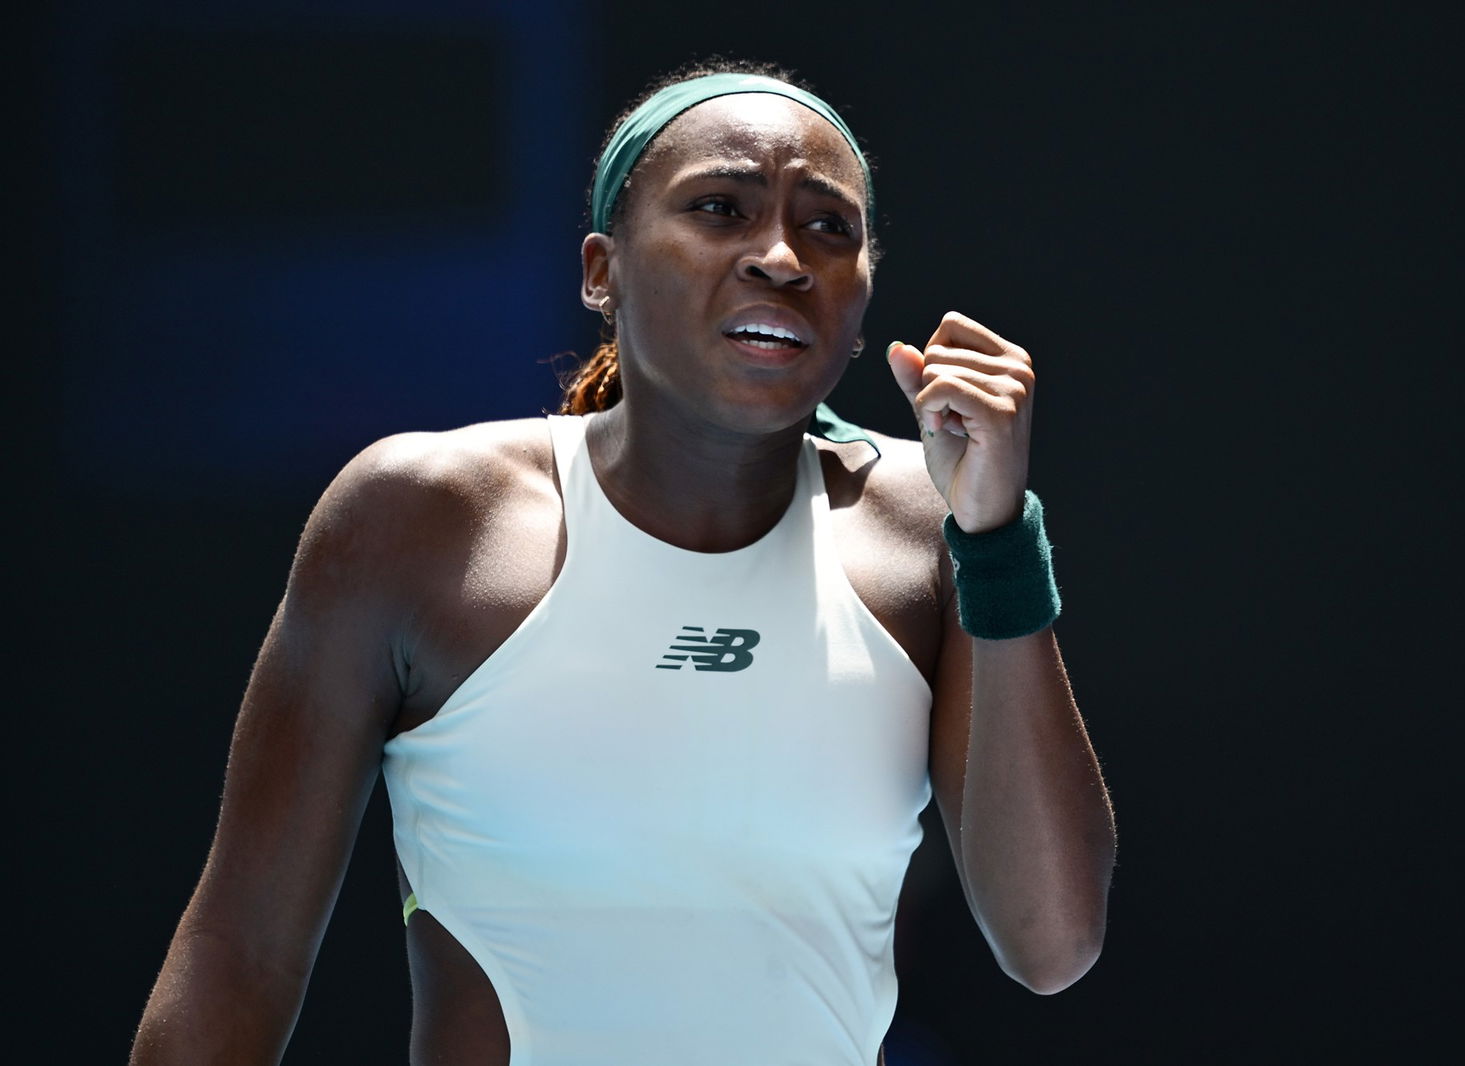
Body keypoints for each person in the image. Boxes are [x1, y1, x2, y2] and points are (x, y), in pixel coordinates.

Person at [129, 60, 1116, 1066]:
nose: (780, 255)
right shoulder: (417, 520)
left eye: (829, 227)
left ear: (863, 295)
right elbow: (240, 956)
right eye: (721, 207)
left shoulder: (933, 527)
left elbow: (1051, 943)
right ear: (600, 269)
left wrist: (996, 538)